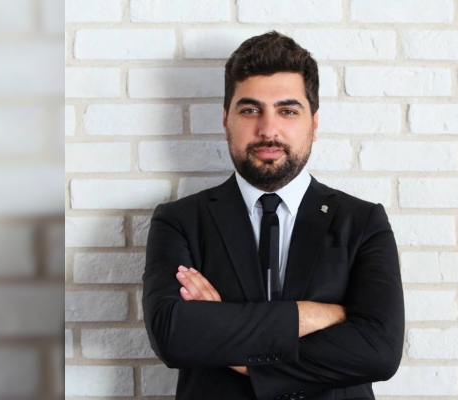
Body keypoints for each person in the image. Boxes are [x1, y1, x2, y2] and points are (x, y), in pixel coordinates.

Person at [142, 31, 404, 400]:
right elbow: (172, 335)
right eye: (250, 110)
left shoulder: (362, 222)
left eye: (288, 111)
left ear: (313, 123)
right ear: (225, 120)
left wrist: (223, 333)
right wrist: (318, 315)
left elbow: (380, 350)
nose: (268, 130)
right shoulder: (179, 221)